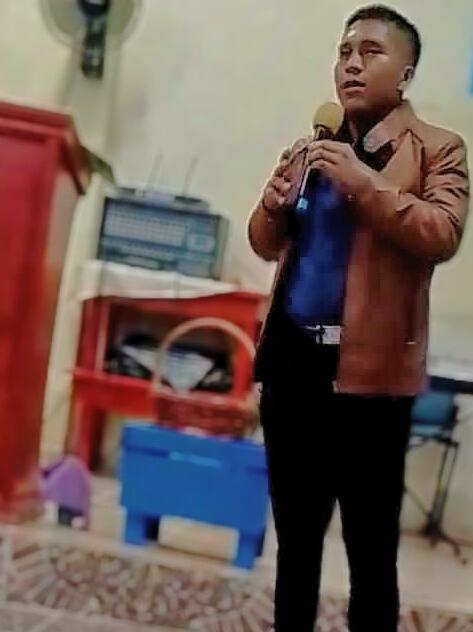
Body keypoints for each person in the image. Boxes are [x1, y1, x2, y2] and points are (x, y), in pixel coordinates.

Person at [247, 5, 470, 632]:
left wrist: (365, 185)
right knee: (296, 544)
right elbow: (266, 244)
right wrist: (271, 206)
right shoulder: (312, 148)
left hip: (370, 381)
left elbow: (442, 232)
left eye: (371, 52)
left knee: (371, 553)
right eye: (345, 52)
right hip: (293, 368)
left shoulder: (438, 150)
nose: (351, 64)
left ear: (406, 73)